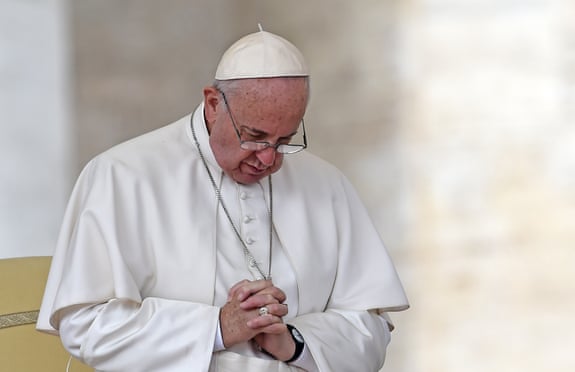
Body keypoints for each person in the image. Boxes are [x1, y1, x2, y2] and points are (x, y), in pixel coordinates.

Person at [37, 27, 409, 372]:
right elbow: (85, 326)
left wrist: (294, 341)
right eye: (255, 135)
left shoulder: (328, 185)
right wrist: (216, 327)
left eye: (285, 140)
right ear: (213, 104)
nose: (269, 159)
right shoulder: (122, 175)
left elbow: (371, 330)